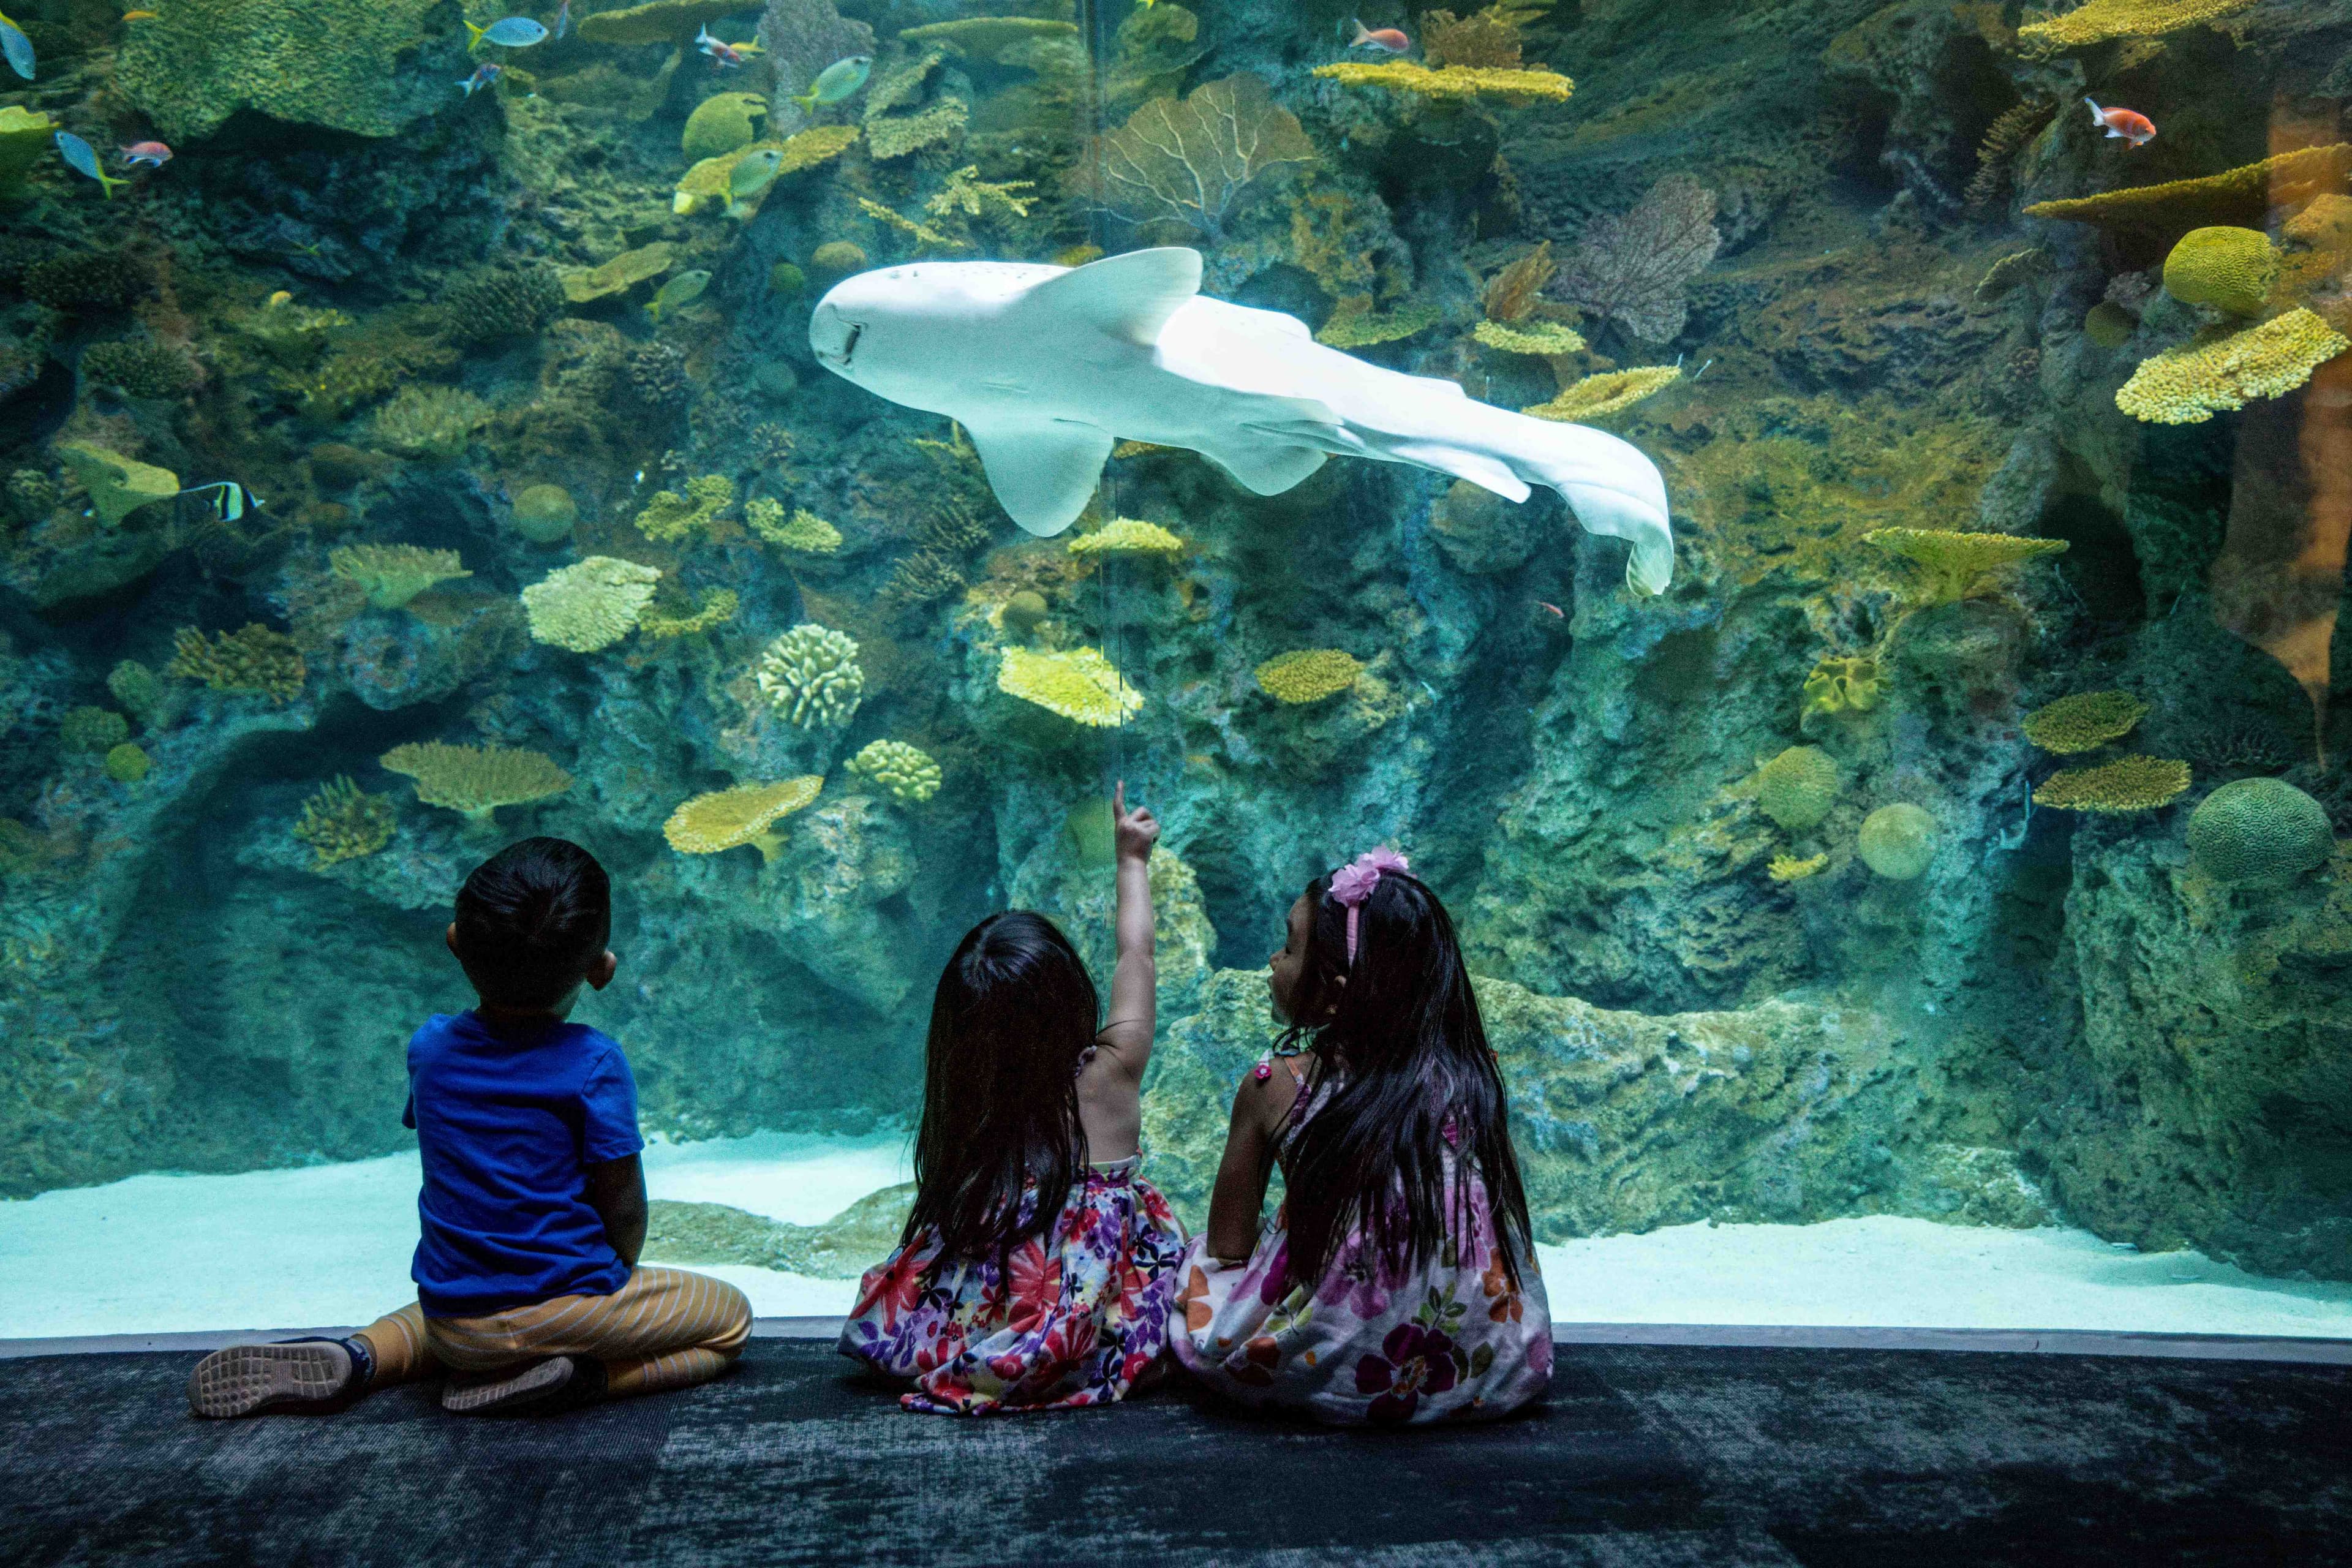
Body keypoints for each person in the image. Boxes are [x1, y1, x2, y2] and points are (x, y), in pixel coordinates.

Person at [187, 837, 751, 1419]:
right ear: (601, 970)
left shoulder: (430, 1049)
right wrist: (613, 1274)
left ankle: (358, 1357)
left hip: (455, 1314)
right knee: (730, 1318)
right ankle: (583, 1380)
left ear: (454, 943)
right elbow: (625, 1210)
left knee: (445, 1320)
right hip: (566, 1308)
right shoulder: (594, 1063)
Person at [1169, 848, 1551, 1425]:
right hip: (1487, 1375)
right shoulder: (1471, 1081)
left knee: (1188, 1268)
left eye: (1291, 948)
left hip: (1325, 1375)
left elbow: (1229, 1245)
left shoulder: (1276, 1086)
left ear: (1336, 993)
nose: (1274, 960)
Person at [838, 783, 1186, 1414]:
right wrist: (1131, 859)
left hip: (994, 1302)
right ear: (1070, 995)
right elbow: (1138, 953)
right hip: (1091, 1318)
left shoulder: (975, 1096)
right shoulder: (1111, 1074)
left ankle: (982, 1347)